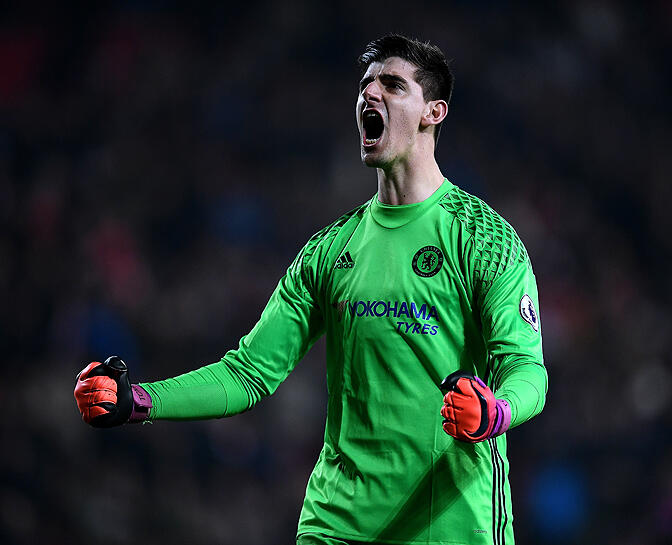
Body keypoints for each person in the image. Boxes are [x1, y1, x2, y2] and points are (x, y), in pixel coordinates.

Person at [74, 34, 548, 545]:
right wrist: (139, 399)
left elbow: (527, 370)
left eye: (392, 85)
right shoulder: (328, 250)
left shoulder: (483, 237)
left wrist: (495, 412)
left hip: (448, 524)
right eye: (365, 85)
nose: (370, 94)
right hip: (336, 525)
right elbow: (248, 373)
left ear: (434, 112)